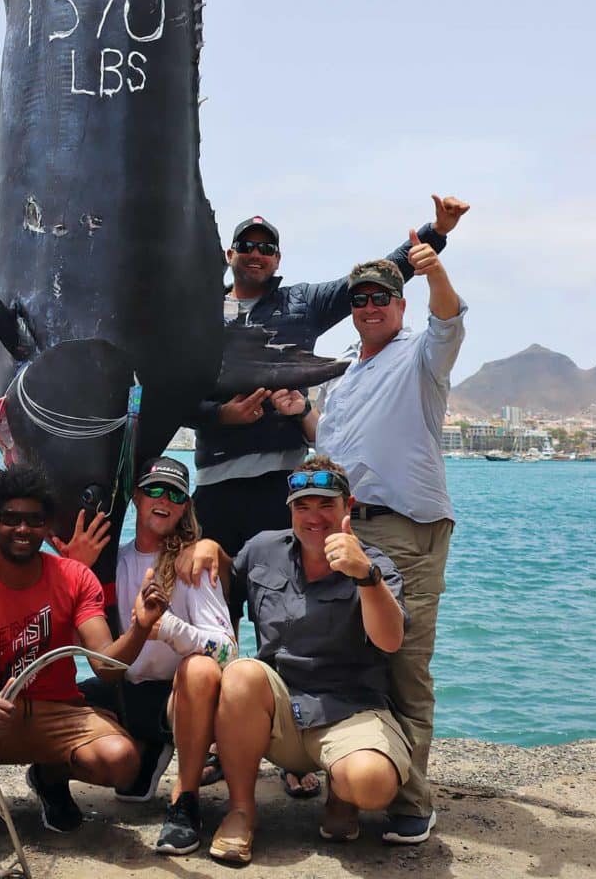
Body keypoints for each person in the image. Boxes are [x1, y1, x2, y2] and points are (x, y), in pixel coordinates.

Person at [296, 234, 466, 844]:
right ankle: (358, 780)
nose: (370, 306)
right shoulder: (344, 377)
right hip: (351, 526)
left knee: (405, 660)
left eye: (382, 296)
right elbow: (336, 445)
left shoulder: (419, 355)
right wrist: (300, 412)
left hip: (406, 526)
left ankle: (412, 801)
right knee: (357, 652)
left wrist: (436, 272)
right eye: (360, 297)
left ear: (400, 303)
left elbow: (448, 321)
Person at [190, 195, 469, 557]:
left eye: (266, 247)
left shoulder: (303, 303)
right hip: (215, 486)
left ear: (277, 259)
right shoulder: (199, 315)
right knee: (210, 601)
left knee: (278, 604)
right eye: (247, 246)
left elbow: (376, 279)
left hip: (283, 488)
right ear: (230, 255)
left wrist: (437, 232)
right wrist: (221, 415)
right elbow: (174, 397)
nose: (256, 253)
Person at [0, 463, 169, 841]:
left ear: (47, 526)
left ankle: (50, 777)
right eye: (11, 518)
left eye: (34, 520)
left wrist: (141, 627)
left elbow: (106, 666)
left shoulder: (75, 578)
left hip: (58, 710)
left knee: (122, 762)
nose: (23, 529)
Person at [209, 457, 411, 865]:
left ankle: (342, 793)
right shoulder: (264, 549)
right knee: (242, 674)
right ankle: (241, 812)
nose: (314, 517)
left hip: (349, 710)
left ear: (347, 506)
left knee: (371, 784)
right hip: (280, 712)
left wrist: (364, 576)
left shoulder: (377, 565)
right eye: (303, 506)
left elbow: (390, 641)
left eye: (325, 505)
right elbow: (221, 588)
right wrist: (206, 546)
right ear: (289, 510)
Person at [71, 457, 237, 856]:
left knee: (199, 670)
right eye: (155, 490)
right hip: (128, 690)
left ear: (184, 507)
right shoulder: (115, 559)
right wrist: (70, 568)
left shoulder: (192, 563)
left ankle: (185, 801)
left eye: (176, 494)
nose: (164, 499)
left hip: (177, 700)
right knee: (61, 699)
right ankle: (137, 751)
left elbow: (229, 651)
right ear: (137, 496)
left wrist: (169, 629)